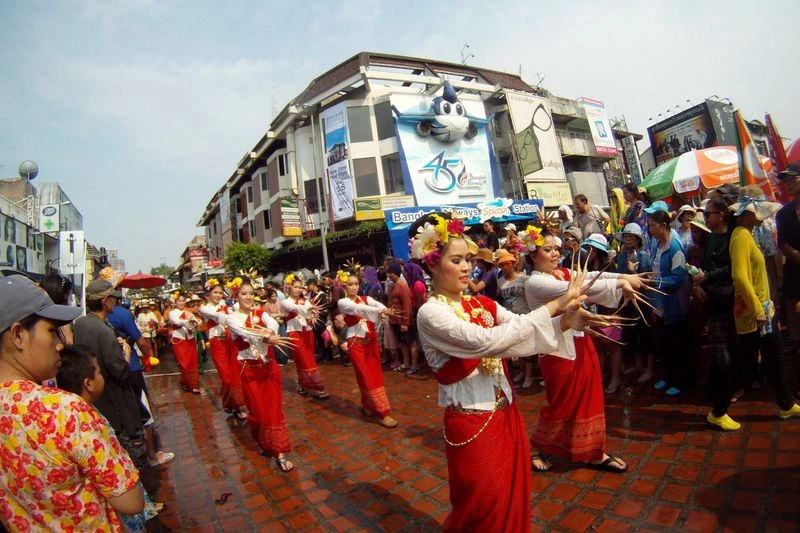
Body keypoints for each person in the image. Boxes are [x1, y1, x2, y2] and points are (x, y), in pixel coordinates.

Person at [411, 212, 596, 533]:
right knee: (482, 505)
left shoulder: (482, 304)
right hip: (471, 420)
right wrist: (555, 306)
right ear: (432, 264)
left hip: (505, 413)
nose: (467, 267)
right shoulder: (431, 313)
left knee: (512, 496)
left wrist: (567, 321)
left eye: (468, 259)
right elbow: (487, 342)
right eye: (456, 260)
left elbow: (519, 329)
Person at [0, 275, 144, 531]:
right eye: (51, 331)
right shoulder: (63, 410)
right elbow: (131, 501)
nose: (59, 345)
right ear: (18, 335)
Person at [523, 225, 645, 473]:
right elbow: (580, 288)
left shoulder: (561, 273)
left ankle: (594, 452)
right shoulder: (535, 283)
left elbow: (591, 275)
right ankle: (534, 446)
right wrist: (623, 281)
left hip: (579, 340)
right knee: (562, 402)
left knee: (590, 396)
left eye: (556, 248)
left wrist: (623, 278)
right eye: (547, 250)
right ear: (532, 255)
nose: (555, 254)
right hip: (555, 349)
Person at [56, 345, 163, 532]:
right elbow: (124, 496)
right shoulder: (84, 421)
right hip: (119, 506)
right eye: (99, 372)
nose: (102, 376)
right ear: (88, 383)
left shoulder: (78, 411)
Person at [729, 187, 800, 420]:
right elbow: (740, 276)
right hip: (753, 313)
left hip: (763, 309)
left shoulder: (748, 233)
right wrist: (758, 309)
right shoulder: (740, 235)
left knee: (775, 356)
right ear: (749, 212)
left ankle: (786, 404)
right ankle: (718, 411)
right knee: (745, 363)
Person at [73, 280, 149, 467]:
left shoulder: (81, 324)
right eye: (113, 299)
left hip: (97, 400)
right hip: (116, 402)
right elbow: (121, 373)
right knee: (130, 457)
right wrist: (126, 353)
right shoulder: (103, 331)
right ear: (105, 301)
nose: (116, 302)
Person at [227, 278, 295, 471]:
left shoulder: (260, 313)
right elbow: (244, 332)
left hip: (268, 367)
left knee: (274, 408)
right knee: (257, 409)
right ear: (236, 296)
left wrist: (270, 331)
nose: (249, 297)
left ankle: (279, 451)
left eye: (251, 293)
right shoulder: (231, 317)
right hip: (249, 369)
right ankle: (265, 441)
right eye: (244, 294)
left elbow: (272, 322)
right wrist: (266, 337)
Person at [337, 270, 399, 428]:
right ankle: (383, 413)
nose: (354, 287)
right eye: (350, 284)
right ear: (344, 286)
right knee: (365, 376)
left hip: (371, 342)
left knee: (375, 374)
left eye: (356, 284)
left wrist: (385, 310)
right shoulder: (343, 302)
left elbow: (378, 305)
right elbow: (358, 310)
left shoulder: (366, 298)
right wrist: (381, 312)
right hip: (356, 344)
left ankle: (368, 405)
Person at [647, 209, 691, 396]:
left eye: (653, 226)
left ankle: (680, 381)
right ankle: (667, 376)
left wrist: (656, 282)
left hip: (675, 303)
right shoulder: (657, 244)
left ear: (664, 226)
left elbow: (678, 277)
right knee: (664, 343)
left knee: (677, 344)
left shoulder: (674, 247)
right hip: (660, 303)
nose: (650, 229)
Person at [198, 278, 247, 418]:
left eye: (220, 293)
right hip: (217, 344)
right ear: (208, 294)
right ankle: (229, 403)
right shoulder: (204, 309)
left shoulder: (226, 305)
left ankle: (238, 405)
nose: (218, 295)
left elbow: (235, 314)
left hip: (230, 342)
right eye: (215, 292)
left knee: (235, 374)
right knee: (226, 377)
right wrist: (231, 313)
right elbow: (218, 316)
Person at [615, 223, 654, 382]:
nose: (628, 239)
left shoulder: (644, 256)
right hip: (627, 300)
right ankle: (638, 364)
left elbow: (648, 280)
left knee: (646, 333)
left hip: (642, 300)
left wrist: (632, 271)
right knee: (632, 332)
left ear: (638, 239)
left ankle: (649, 368)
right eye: (626, 236)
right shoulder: (621, 256)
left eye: (631, 237)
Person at [280, 274, 330, 399]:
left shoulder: (305, 300)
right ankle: (317, 388)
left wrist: (312, 311)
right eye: (295, 287)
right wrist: (308, 308)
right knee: (303, 358)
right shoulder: (286, 302)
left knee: (308, 358)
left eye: (300, 287)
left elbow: (310, 312)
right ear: (289, 287)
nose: (298, 290)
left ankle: (302, 384)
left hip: (307, 331)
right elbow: (295, 308)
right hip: (294, 333)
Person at [776, 164, 800, 366]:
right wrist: (794, 255)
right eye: (786, 181)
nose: (788, 183)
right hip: (794, 276)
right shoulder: (783, 214)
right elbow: (782, 244)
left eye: (793, 179)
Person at [168, 292, 201, 394]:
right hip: (179, 339)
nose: (181, 303)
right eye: (179, 301)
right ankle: (186, 382)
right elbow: (177, 322)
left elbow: (196, 322)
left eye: (183, 301)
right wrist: (188, 321)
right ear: (175, 302)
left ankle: (194, 384)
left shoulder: (188, 312)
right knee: (184, 362)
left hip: (190, 338)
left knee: (193, 361)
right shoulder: (172, 313)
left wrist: (194, 322)